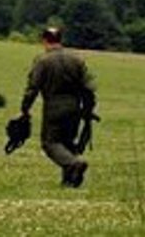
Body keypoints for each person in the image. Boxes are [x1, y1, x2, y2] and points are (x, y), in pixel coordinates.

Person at [19, 25, 97, 188]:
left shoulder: (43, 61)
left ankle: (73, 164)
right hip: (75, 106)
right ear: (60, 40)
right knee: (68, 142)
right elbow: (88, 87)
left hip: (53, 105)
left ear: (45, 40)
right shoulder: (77, 60)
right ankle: (70, 180)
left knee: (50, 143)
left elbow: (33, 88)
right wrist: (88, 109)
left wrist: (25, 108)